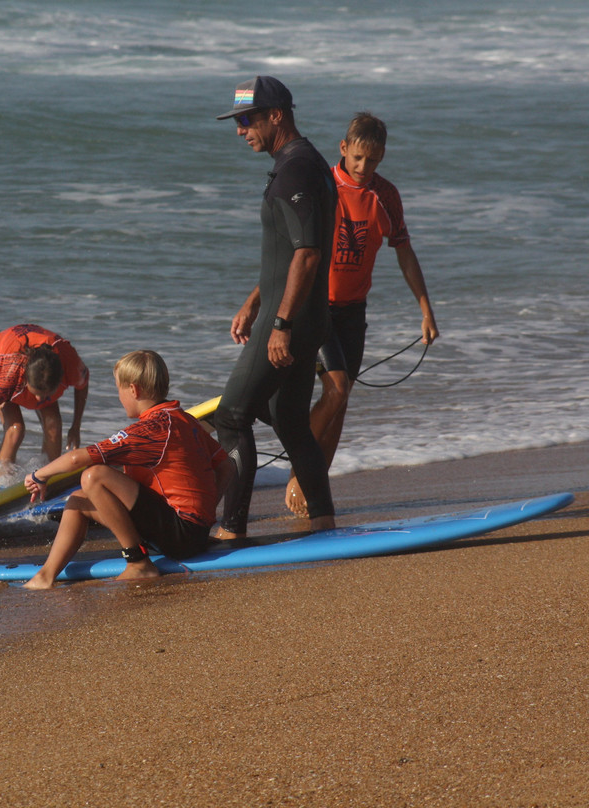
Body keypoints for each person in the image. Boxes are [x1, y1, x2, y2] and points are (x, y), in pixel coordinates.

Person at [284, 113, 440, 516]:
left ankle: (316, 489)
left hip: (354, 311)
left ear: (382, 157)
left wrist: (425, 309)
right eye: (356, 159)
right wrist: (259, 305)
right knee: (336, 387)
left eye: (372, 161)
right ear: (343, 149)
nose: (363, 168)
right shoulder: (324, 186)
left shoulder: (385, 195)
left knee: (342, 399)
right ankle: (300, 475)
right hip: (316, 307)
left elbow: (403, 251)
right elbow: (292, 254)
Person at [209, 75, 338, 543]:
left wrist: (279, 322)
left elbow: (307, 255)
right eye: (238, 121)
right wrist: (253, 301)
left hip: (292, 320)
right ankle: (323, 519)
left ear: (276, 116)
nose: (241, 130)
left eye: (247, 120)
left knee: (231, 416)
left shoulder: (296, 171)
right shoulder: (308, 164)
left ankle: (232, 529)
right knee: (289, 421)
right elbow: (288, 255)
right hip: (306, 317)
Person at [22, 350, 231, 589]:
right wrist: (204, 515)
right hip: (191, 533)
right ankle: (45, 577)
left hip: (180, 536)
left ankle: (138, 562)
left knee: (94, 476)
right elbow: (225, 466)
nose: (119, 396)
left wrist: (39, 475)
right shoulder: (185, 420)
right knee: (78, 501)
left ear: (134, 390)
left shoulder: (152, 429)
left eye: (118, 389)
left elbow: (78, 459)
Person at [0, 323, 88, 485]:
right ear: (24, 380)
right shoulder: (7, 378)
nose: (38, 401)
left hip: (41, 357)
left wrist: (76, 426)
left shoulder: (70, 364)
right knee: (16, 429)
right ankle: (0, 483)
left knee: (53, 424)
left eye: (45, 395)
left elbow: (83, 385)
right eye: (35, 393)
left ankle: (47, 479)